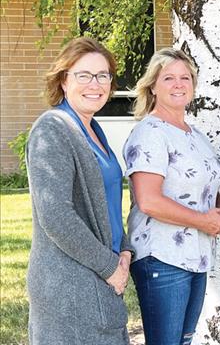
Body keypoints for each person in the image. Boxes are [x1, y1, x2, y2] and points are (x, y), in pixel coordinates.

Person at [26, 37, 133, 344]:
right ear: (63, 80)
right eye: (83, 75)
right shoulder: (53, 129)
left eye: (103, 75)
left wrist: (124, 248)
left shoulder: (93, 129)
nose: (95, 84)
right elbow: (56, 215)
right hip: (68, 289)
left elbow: (108, 203)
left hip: (99, 281)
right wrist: (110, 266)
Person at [123, 48, 220, 345]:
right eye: (168, 78)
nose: (178, 84)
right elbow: (149, 201)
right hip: (162, 256)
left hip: (196, 255)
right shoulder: (150, 133)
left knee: (183, 340)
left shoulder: (194, 134)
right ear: (152, 86)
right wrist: (203, 221)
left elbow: (207, 181)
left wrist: (219, 209)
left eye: (185, 77)